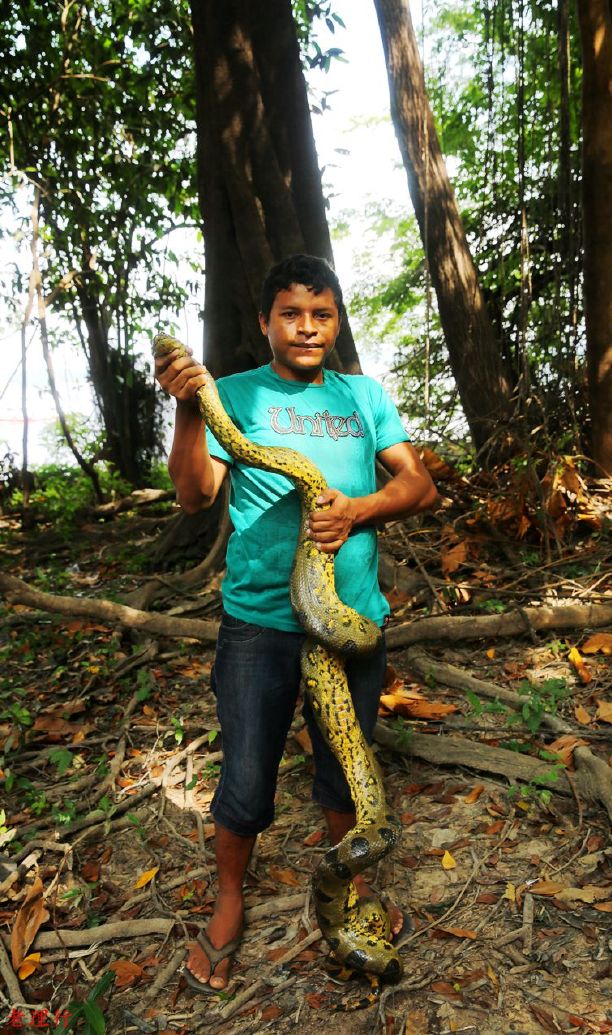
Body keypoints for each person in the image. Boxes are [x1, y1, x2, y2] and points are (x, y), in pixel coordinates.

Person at [154, 254, 438, 993]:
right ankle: (227, 900)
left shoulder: (363, 396)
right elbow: (193, 495)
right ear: (265, 322)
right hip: (261, 622)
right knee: (246, 779)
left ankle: (350, 887)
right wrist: (191, 406)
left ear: (336, 321)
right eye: (291, 313)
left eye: (321, 313)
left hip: (351, 621)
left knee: (347, 769)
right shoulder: (233, 397)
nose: (307, 327)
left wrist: (359, 508)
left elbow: (418, 483)